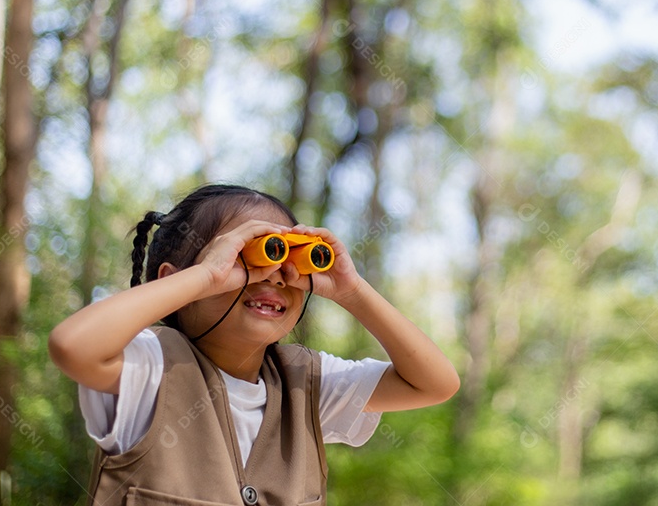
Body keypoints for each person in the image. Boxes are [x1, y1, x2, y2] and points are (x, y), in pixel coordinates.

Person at [49, 184, 460, 505]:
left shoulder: (306, 384)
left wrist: (351, 290)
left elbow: (435, 383)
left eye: (288, 258)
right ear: (173, 280)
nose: (275, 275)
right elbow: (72, 346)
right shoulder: (150, 367)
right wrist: (210, 275)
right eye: (247, 257)